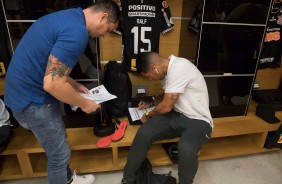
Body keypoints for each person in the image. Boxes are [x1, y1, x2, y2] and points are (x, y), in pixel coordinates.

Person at [4, 0, 121, 184]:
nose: (105, 35)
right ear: (103, 16)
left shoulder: (68, 17)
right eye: (108, 29)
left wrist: (74, 85)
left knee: (59, 140)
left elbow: (50, 64)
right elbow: (52, 85)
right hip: (32, 102)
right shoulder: (77, 33)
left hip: (18, 96)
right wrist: (86, 104)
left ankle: (68, 179)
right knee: (59, 155)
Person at [122, 52, 214, 184]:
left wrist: (148, 115)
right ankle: (128, 179)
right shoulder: (167, 70)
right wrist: (151, 103)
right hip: (176, 115)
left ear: (155, 68)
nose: (151, 79)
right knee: (144, 133)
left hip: (198, 121)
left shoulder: (179, 67)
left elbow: (165, 106)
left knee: (186, 149)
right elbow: (167, 95)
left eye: (149, 76)